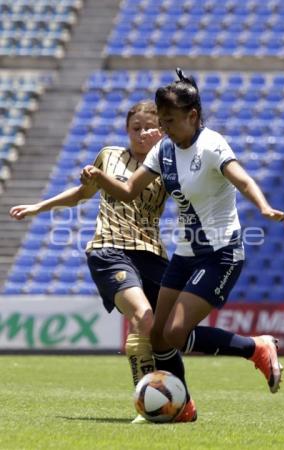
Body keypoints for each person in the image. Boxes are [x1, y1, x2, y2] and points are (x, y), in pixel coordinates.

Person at [80, 69, 284, 422]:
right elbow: (128, 191)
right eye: (160, 121)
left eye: (169, 121)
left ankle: (256, 347)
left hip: (221, 254)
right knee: (160, 338)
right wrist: (99, 176)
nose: (163, 128)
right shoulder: (164, 149)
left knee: (177, 333)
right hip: (185, 254)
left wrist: (263, 206)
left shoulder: (211, 144)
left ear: (192, 116)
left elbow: (242, 178)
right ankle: (182, 408)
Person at [9, 100, 170, 424]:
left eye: (148, 128)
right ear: (127, 129)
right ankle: (146, 403)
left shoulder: (169, 164)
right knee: (142, 314)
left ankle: (173, 400)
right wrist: (39, 207)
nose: (140, 134)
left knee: (165, 332)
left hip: (152, 253)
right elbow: (82, 193)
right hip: (109, 248)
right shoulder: (109, 156)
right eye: (135, 128)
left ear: (162, 131)